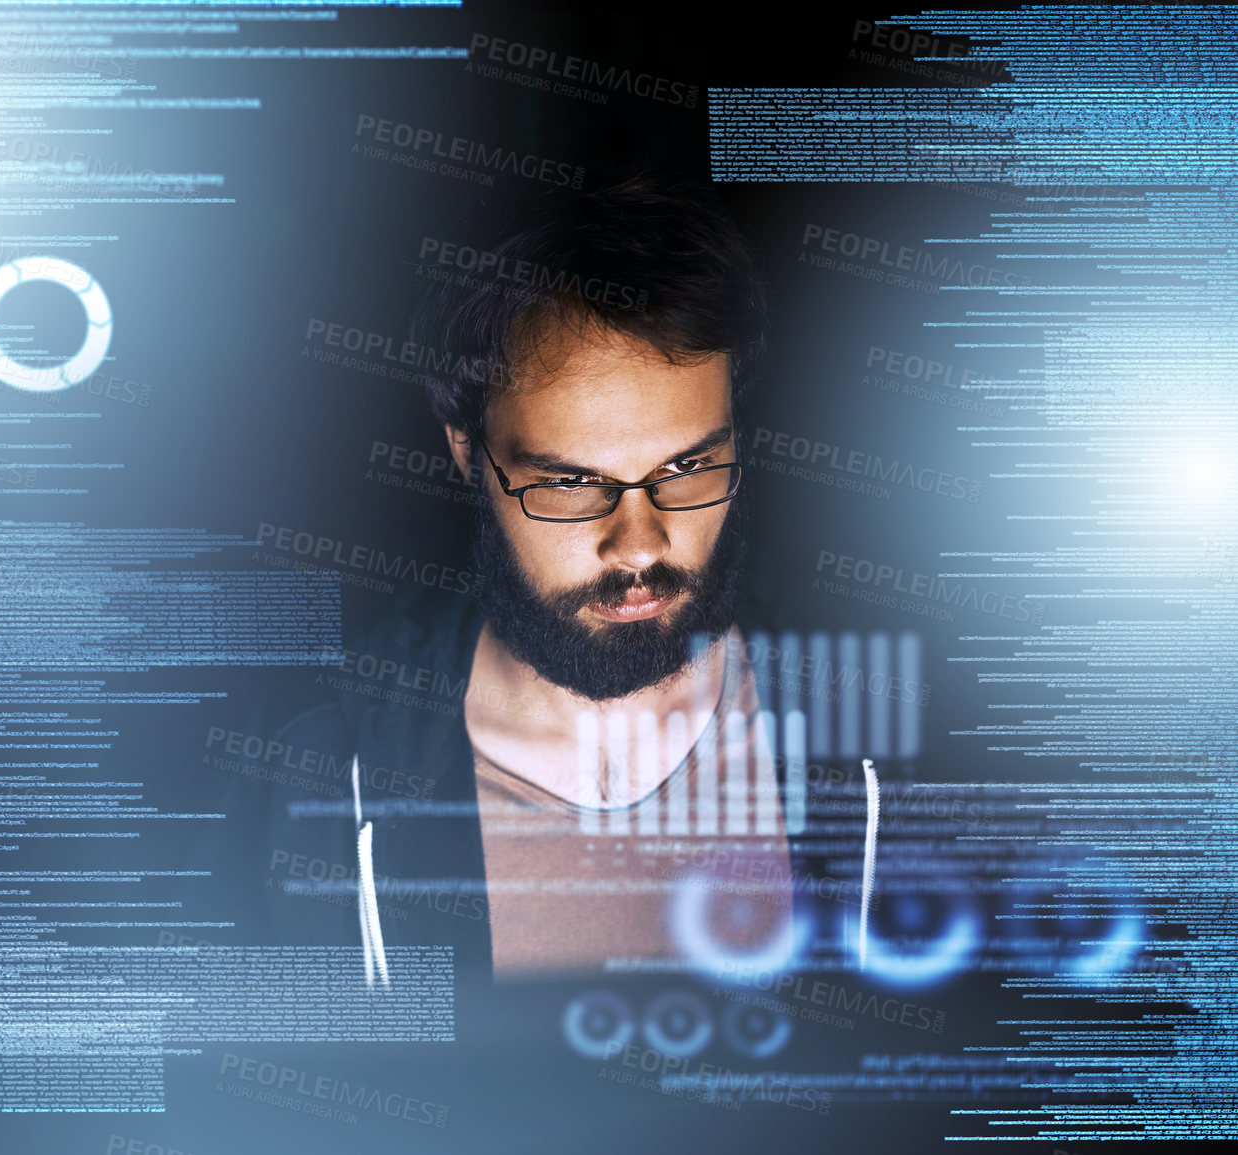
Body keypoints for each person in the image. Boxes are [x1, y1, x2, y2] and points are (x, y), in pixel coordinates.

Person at [210, 175, 879, 987]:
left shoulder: (882, 741)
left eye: (687, 465)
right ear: (466, 451)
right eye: (568, 483)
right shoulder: (307, 767)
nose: (639, 545)